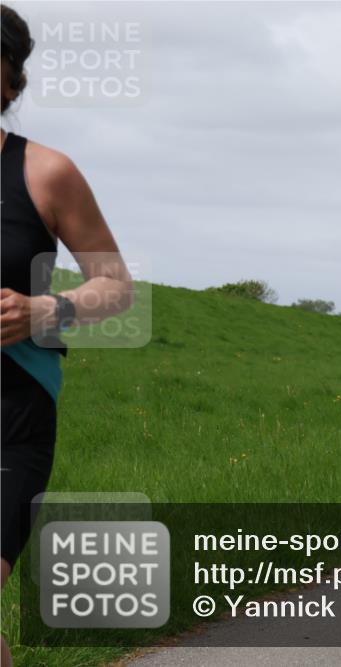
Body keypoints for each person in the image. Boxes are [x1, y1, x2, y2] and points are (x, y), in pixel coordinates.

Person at [2, 8, 134, 665]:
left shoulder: (45, 172)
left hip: (13, 411)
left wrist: (44, 309)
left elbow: (116, 285)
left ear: (10, 81)